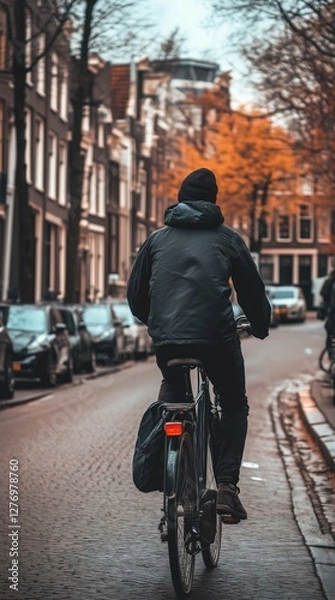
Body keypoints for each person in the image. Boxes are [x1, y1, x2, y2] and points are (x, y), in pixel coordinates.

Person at [127, 167, 271, 523]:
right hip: (216, 339)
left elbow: (135, 295)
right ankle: (226, 488)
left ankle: (173, 475)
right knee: (235, 405)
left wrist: (158, 322)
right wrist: (260, 324)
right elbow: (252, 290)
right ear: (214, 199)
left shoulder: (156, 240)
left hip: (168, 342)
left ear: (180, 197)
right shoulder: (227, 239)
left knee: (173, 397)